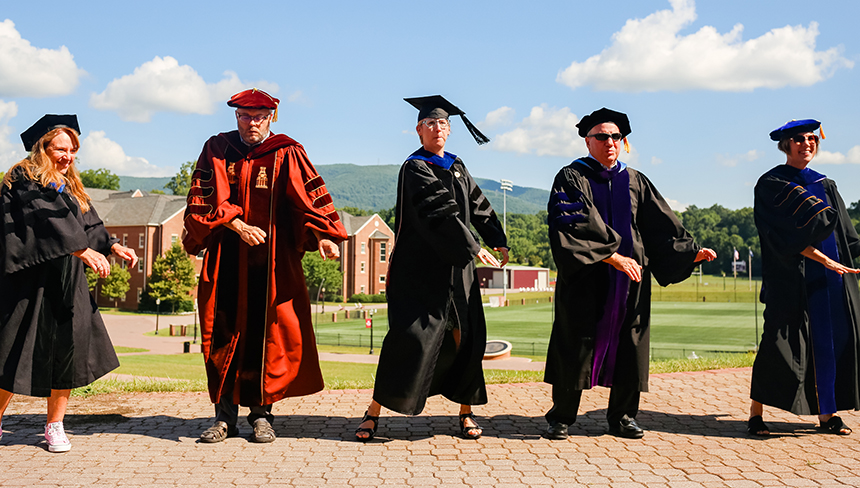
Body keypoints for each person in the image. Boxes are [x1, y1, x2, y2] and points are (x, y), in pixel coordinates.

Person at [183, 88, 347, 444]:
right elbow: (203, 200)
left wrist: (321, 237)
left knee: (267, 337)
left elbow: (305, 201)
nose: (251, 123)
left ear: (271, 117)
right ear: (236, 117)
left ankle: (261, 416)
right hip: (226, 258)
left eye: (259, 116)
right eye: (244, 115)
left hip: (271, 262)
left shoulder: (286, 151)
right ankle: (224, 418)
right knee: (221, 337)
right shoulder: (218, 148)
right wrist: (237, 225)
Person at [544, 107, 716, 440]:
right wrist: (612, 256)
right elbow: (572, 224)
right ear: (587, 141)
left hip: (631, 281)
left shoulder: (635, 179)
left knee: (630, 344)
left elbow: (660, 225)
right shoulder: (571, 176)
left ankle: (623, 416)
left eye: (616, 137)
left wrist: (688, 253)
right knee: (576, 344)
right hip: (587, 280)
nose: (610, 142)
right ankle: (561, 416)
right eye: (602, 136)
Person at [354, 95, 509, 441]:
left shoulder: (457, 165)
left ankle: (465, 413)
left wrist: (497, 238)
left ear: (450, 130)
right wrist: (474, 246)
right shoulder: (415, 167)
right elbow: (439, 215)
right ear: (418, 130)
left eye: (442, 123)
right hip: (421, 272)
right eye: (429, 123)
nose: (436, 128)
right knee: (409, 338)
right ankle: (374, 410)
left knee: (465, 337)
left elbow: (477, 205)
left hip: (459, 272)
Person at [0, 114, 138, 452]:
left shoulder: (70, 184)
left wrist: (111, 245)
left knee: (67, 351)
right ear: (41, 148)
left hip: (68, 280)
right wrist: (81, 249)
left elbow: (87, 223)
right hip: (30, 281)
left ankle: (55, 425)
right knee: (14, 352)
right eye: (61, 149)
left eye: (73, 150)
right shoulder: (22, 180)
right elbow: (43, 225)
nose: (68, 156)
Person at [748, 119, 860, 436]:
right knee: (777, 344)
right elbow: (778, 236)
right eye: (799, 139)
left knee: (830, 343)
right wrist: (824, 260)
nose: (807, 143)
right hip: (790, 277)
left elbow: (845, 236)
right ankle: (756, 413)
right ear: (786, 144)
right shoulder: (772, 184)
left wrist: (839, 263)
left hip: (829, 281)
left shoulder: (826, 185)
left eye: (812, 138)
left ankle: (828, 415)